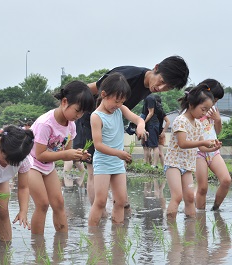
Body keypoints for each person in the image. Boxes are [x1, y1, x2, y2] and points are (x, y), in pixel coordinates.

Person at [80, 55, 189, 204]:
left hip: (113, 123)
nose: (161, 88)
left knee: (116, 166)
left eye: (167, 87)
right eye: (162, 81)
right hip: (93, 120)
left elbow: (133, 115)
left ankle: (118, 206)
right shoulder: (128, 75)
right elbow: (93, 87)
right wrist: (70, 99)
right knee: (94, 170)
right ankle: (100, 213)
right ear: (156, 68)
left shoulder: (149, 87)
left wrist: (140, 125)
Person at [29, 80, 94, 235]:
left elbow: (67, 153)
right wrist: (67, 154)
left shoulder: (71, 124)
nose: (79, 116)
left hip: (47, 164)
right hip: (31, 163)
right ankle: (37, 246)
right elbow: (40, 154)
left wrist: (79, 155)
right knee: (43, 204)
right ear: (65, 102)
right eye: (77, 111)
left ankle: (62, 244)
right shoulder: (45, 124)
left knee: (59, 203)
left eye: (82, 113)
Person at [88, 73, 146, 225]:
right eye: (116, 101)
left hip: (118, 162)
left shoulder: (120, 110)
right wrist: (118, 153)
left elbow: (138, 119)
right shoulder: (96, 116)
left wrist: (140, 127)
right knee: (100, 202)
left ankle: (118, 238)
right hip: (103, 162)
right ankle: (93, 237)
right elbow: (98, 145)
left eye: (121, 102)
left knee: (120, 201)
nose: (118, 105)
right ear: (104, 95)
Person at [164, 84, 221, 219]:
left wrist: (213, 147)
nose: (205, 113)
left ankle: (192, 230)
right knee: (177, 196)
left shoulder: (198, 124)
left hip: (187, 166)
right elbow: (182, 143)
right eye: (203, 109)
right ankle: (172, 232)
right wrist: (203, 142)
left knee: (190, 197)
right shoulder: (180, 121)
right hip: (174, 164)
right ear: (191, 105)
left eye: (207, 110)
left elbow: (201, 147)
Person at [195, 79, 231, 211]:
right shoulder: (194, 108)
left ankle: (215, 210)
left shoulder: (214, 109)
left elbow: (217, 131)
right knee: (203, 187)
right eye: (214, 100)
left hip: (213, 150)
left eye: (215, 101)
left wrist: (218, 119)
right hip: (198, 151)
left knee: (226, 180)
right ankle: (200, 216)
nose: (214, 103)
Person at [153, 94, 170, 168]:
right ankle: (160, 166)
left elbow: (168, 121)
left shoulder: (161, 111)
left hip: (160, 133)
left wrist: (163, 132)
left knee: (160, 152)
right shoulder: (152, 111)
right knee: (157, 152)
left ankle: (163, 167)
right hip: (155, 133)